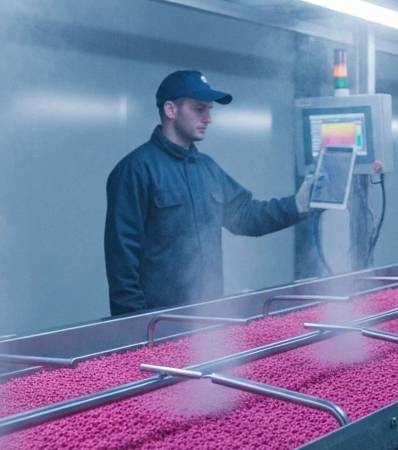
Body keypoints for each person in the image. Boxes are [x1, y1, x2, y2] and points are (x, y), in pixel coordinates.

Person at [104, 70, 313, 316]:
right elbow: (122, 261)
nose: (208, 118)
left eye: (209, 110)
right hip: (158, 324)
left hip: (208, 319)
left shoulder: (208, 169)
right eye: (199, 109)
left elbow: (246, 217)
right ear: (171, 110)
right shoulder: (136, 171)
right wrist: (134, 329)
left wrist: (298, 204)